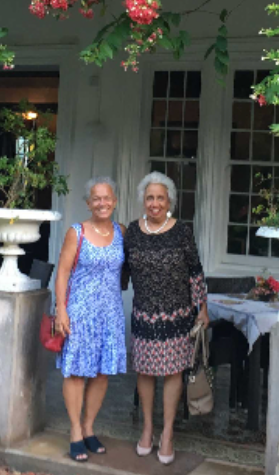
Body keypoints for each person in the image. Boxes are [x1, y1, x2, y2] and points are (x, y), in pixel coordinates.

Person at [123, 171, 209, 465]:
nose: (155, 203)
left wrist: (202, 308)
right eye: (150, 197)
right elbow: (120, 272)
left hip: (178, 316)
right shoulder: (132, 232)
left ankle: (168, 432)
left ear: (169, 200)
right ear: (143, 201)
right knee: (145, 371)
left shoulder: (182, 231)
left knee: (173, 373)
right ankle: (148, 428)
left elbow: (195, 272)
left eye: (160, 197)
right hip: (144, 315)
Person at [55, 176, 126, 462]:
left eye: (107, 198)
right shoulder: (77, 232)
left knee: (100, 371)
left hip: (110, 314)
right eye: (96, 198)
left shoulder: (121, 232)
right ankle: (74, 430)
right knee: (75, 371)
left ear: (115, 201)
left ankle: (88, 427)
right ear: (88, 203)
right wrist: (61, 308)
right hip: (80, 313)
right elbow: (62, 272)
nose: (102, 203)